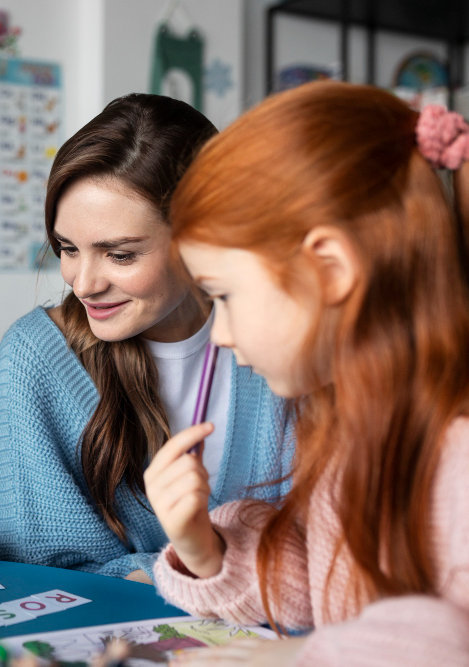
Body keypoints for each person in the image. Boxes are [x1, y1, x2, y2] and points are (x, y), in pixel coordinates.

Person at [147, 82, 469, 665]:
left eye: (224, 294)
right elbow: (326, 582)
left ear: (329, 267)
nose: (218, 332)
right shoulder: (354, 420)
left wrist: (301, 659)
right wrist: (205, 549)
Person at [0, 94, 293, 583]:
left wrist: (181, 568)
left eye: (120, 255)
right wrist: (197, 566)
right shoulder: (35, 357)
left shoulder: (284, 349)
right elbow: (37, 574)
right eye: (67, 248)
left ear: (201, 235)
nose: (83, 283)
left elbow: (317, 553)